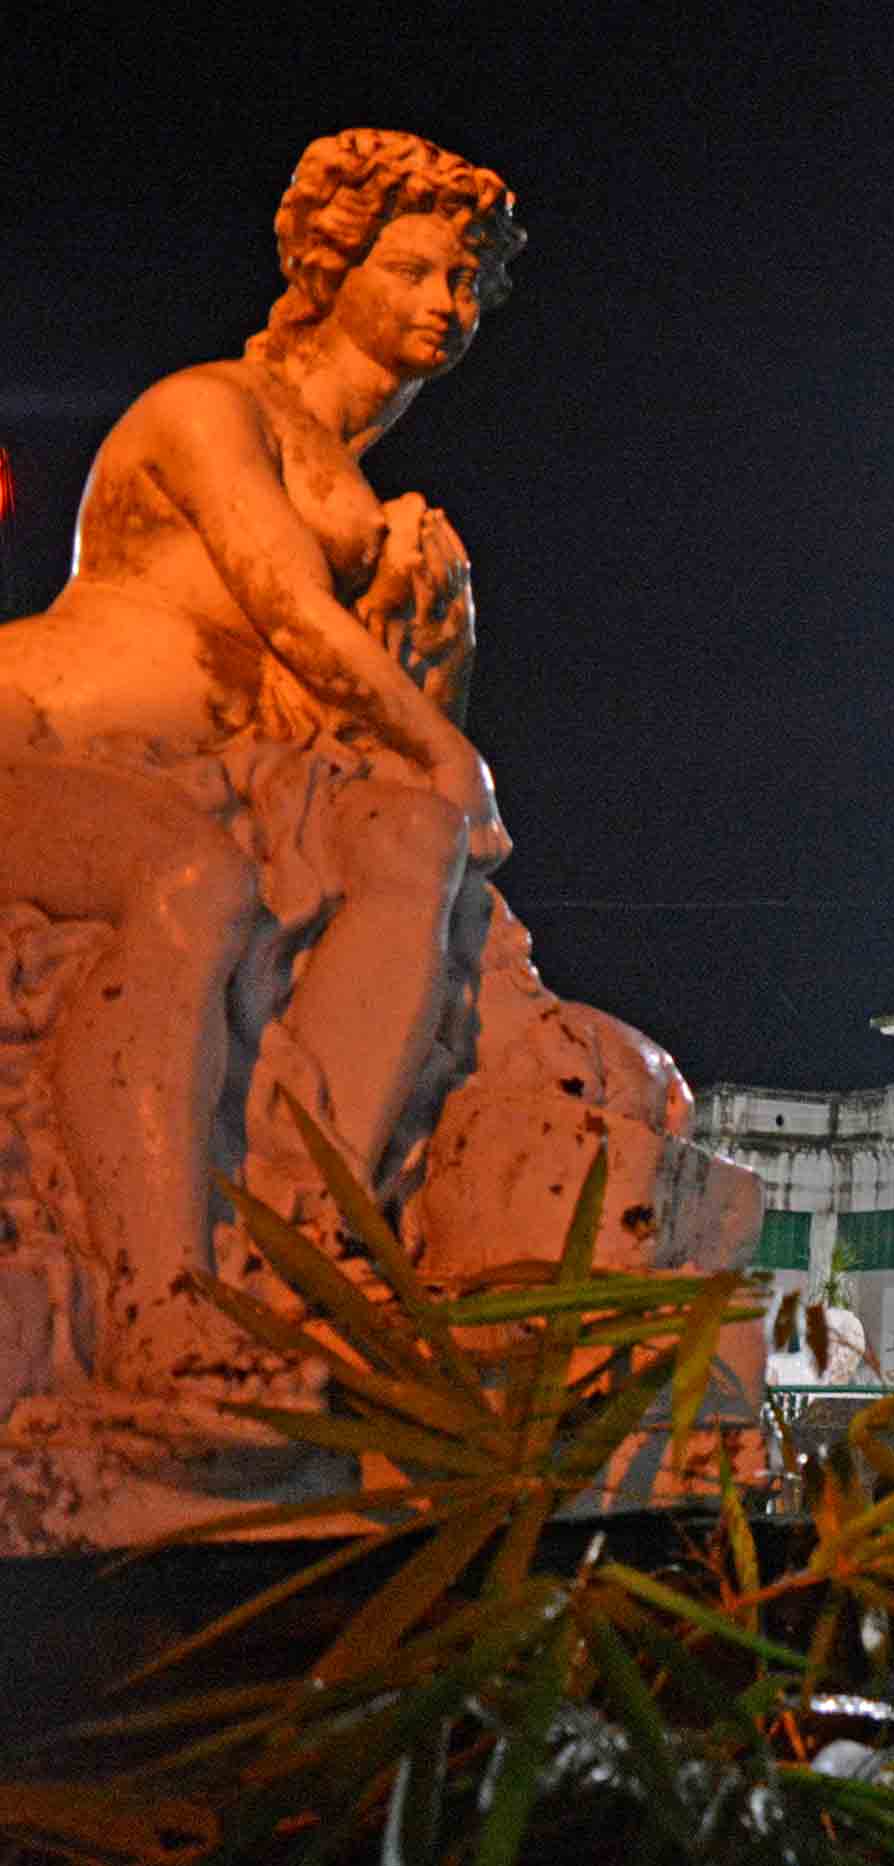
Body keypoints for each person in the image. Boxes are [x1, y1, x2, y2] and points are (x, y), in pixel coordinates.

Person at [0, 130, 521, 1386]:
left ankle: (312, 1241)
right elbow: (288, 610)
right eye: (410, 270)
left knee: (413, 844)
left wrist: (434, 635)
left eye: (464, 281)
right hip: (38, 742)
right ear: (331, 266)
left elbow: (363, 749)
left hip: (210, 773)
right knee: (194, 882)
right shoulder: (206, 408)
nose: (445, 305)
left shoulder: (380, 513)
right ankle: (158, 1302)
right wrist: (458, 754)